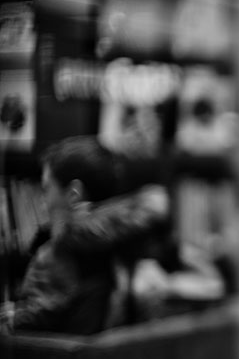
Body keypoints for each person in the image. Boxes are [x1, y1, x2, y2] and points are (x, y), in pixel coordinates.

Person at [0, 136, 169, 335]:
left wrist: (12, 318)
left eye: (46, 190)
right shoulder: (126, 246)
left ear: (74, 194)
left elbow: (36, 324)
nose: (42, 203)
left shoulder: (59, 253)